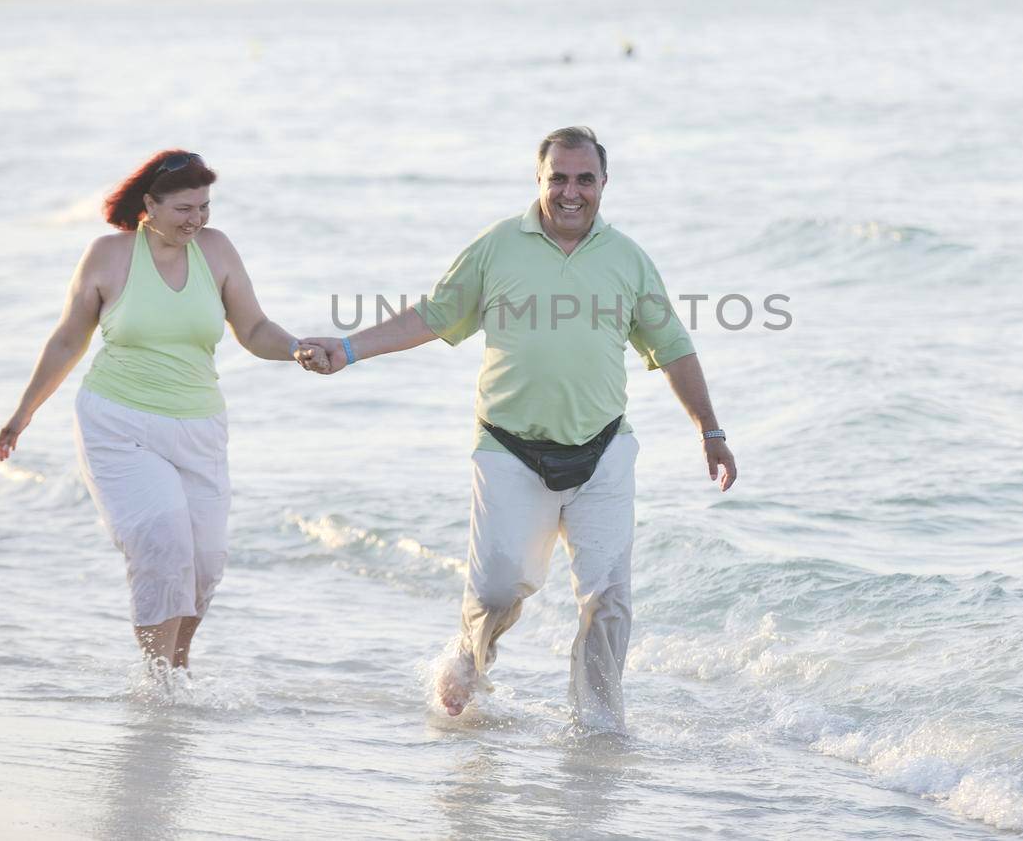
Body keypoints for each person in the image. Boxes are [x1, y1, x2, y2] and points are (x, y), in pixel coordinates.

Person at [297, 126, 736, 730]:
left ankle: (600, 725)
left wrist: (710, 431)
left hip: (603, 448)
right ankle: (471, 654)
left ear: (604, 183)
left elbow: (672, 348)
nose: (571, 192)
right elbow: (433, 315)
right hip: (508, 448)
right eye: (559, 178)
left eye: (585, 179)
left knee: (608, 598)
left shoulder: (628, 259)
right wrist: (348, 348)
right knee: (500, 589)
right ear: (540, 180)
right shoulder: (498, 246)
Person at [0, 150, 325, 670]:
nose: (197, 219)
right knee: (163, 548)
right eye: (183, 209)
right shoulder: (108, 255)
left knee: (204, 564)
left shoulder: (216, 251)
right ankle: (156, 680)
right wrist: (24, 412)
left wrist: (296, 348)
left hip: (199, 425)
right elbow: (66, 341)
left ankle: (177, 669)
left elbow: (255, 329)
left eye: (205, 207)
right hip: (118, 422)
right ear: (149, 204)